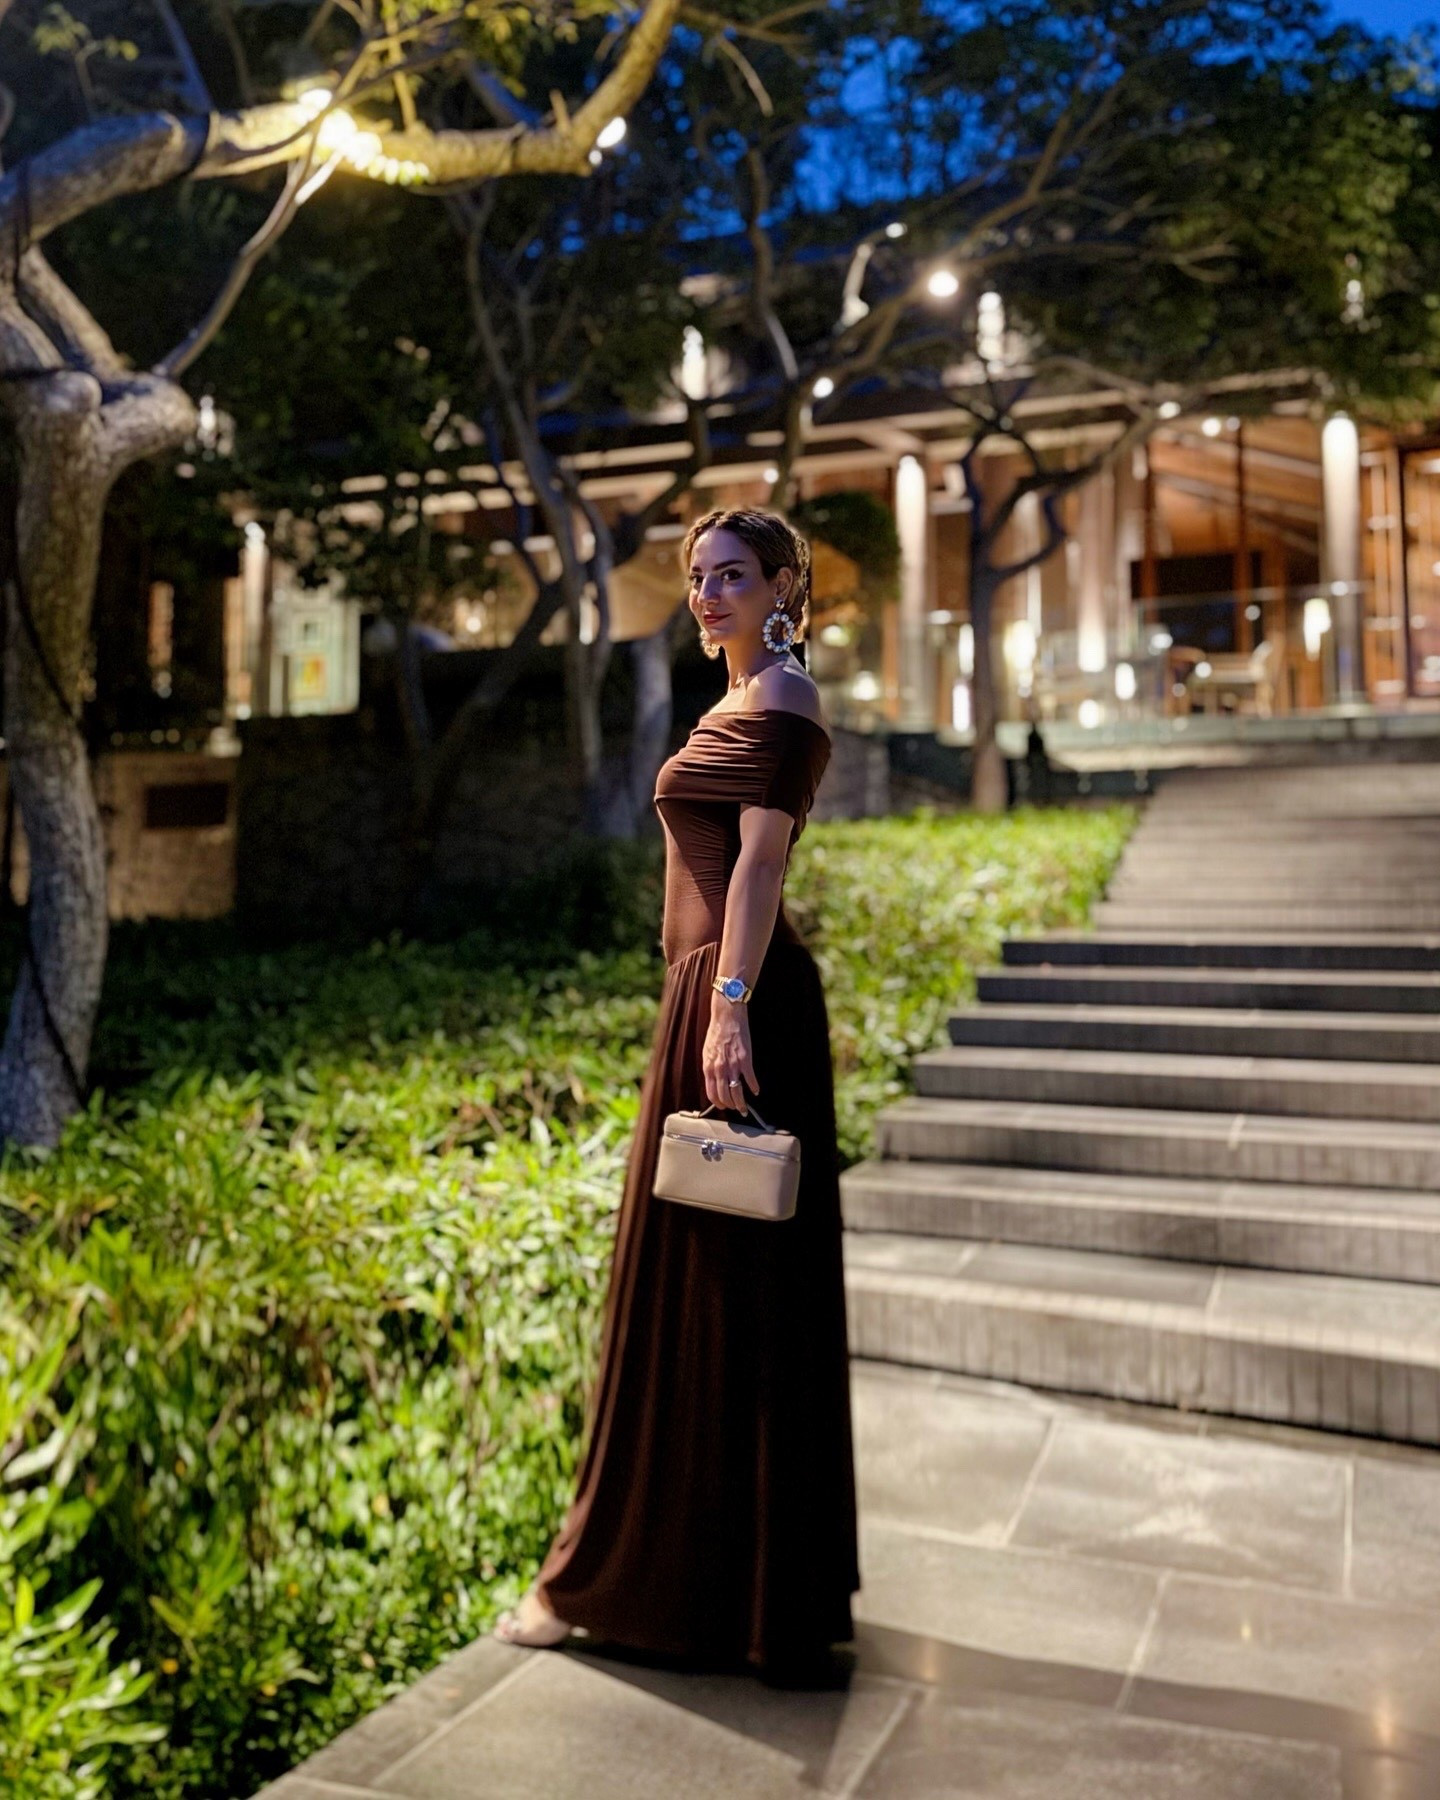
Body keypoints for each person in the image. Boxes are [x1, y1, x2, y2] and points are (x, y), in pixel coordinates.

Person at [492, 507, 860, 1678]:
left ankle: (670, 1591)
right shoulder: (731, 702)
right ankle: (708, 1590)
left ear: (782, 585)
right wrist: (697, 1002)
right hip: (700, 1004)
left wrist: (733, 1003)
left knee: (729, 1303)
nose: (708, 595)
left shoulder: (785, 700)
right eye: (699, 578)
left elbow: (759, 861)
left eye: (734, 576)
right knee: (690, 1307)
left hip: (742, 1005)